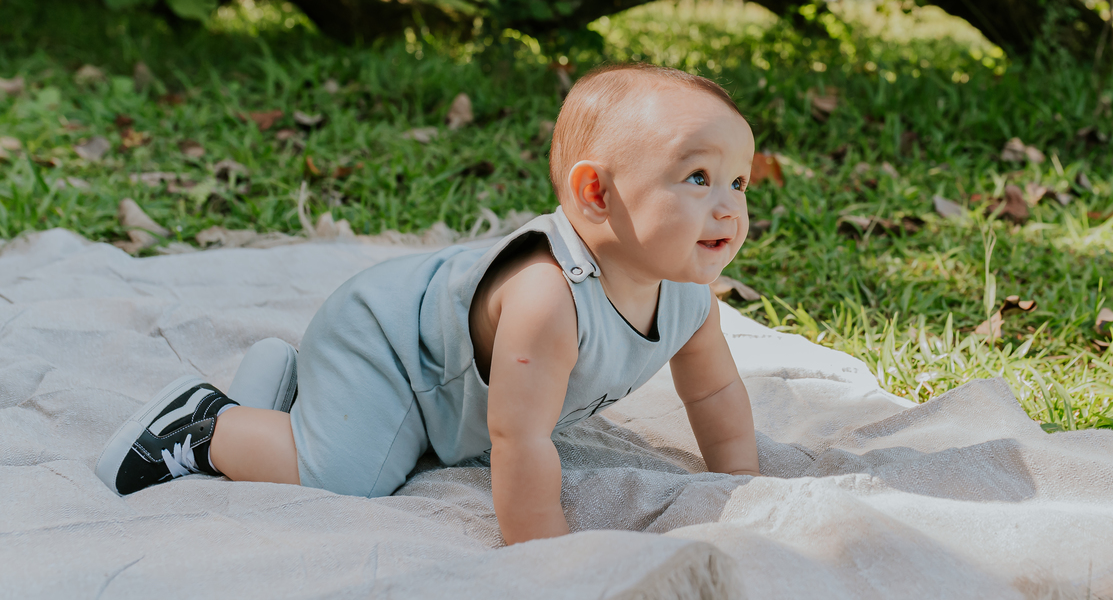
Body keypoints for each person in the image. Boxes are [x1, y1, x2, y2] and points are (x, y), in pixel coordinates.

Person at [95, 62, 761, 545]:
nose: (728, 205)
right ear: (596, 196)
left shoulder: (687, 293)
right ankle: (205, 424)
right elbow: (519, 439)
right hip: (387, 350)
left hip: (429, 355)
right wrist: (547, 554)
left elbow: (715, 393)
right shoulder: (549, 296)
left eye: (738, 180)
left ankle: (288, 388)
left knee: (398, 449)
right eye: (697, 177)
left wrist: (741, 484)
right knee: (346, 475)